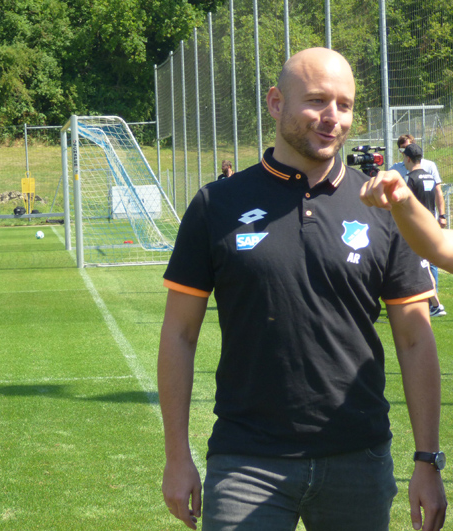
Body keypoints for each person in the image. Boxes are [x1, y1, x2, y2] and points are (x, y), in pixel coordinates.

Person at [158, 47, 447, 531]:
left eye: (345, 104)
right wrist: (176, 455)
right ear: (276, 103)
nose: (333, 117)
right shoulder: (216, 204)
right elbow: (179, 334)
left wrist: (427, 459)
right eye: (316, 100)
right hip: (245, 461)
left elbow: (416, 339)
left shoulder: (383, 207)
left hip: (358, 459)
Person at [402, 143, 447, 316]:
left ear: (407, 158)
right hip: (430, 223)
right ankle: (431, 303)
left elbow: (406, 204)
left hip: (416, 227)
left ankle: (436, 304)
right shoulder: (429, 177)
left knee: (422, 267)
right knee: (425, 266)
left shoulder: (410, 178)